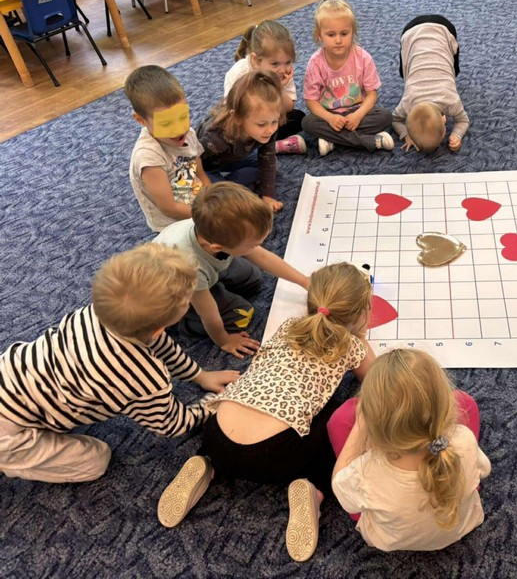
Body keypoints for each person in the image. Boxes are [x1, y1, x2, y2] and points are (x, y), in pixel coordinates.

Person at [156, 262, 376, 562]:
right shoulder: (351, 345)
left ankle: (205, 461)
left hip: (216, 435)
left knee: (242, 406)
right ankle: (312, 487)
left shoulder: (288, 327)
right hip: (276, 457)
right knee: (339, 415)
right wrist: (360, 336)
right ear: (361, 314)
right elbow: (374, 378)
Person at [0, 243, 239, 484]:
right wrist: (213, 404)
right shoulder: (141, 378)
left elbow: (159, 344)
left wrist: (199, 375)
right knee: (96, 460)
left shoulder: (95, 312)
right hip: (8, 434)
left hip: (9, 375)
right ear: (159, 328)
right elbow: (172, 424)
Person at [328, 349, 490, 552]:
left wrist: (360, 426)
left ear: (375, 425)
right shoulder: (464, 439)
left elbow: (340, 486)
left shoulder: (366, 472)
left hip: (389, 538)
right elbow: (484, 470)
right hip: (463, 524)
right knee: (466, 402)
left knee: (341, 418)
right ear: (444, 403)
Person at [154, 182, 309, 359]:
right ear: (218, 247)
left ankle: (216, 286)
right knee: (241, 315)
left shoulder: (212, 227)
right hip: (175, 295)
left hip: (205, 270)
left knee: (252, 278)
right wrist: (224, 340)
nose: (260, 245)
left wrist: (304, 280)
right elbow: (208, 315)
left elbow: (263, 257)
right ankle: (182, 323)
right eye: (254, 244)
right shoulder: (190, 267)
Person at [301, 0, 394, 156]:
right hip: (329, 115)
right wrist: (330, 118)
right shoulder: (315, 63)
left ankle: (333, 140)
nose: (338, 40)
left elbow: (372, 94)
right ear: (319, 35)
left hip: (358, 111)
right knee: (307, 123)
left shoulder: (363, 57)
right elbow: (311, 101)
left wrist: (358, 115)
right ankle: (370, 141)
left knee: (386, 116)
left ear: (353, 32)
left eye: (344, 33)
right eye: (331, 35)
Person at [125, 65, 212, 232]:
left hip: (196, 202)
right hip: (174, 225)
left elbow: (199, 172)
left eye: (183, 116)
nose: (179, 129)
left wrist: (212, 199)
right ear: (141, 120)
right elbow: (169, 208)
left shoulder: (188, 133)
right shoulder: (148, 156)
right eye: (166, 123)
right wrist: (209, 216)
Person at [197, 71, 286, 213]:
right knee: (218, 199)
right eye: (261, 124)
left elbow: (267, 159)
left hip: (232, 157)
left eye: (274, 121)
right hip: (203, 166)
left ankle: (232, 186)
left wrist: (268, 196)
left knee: (272, 166)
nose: (270, 130)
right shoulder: (218, 138)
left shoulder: (267, 128)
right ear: (238, 118)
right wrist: (206, 183)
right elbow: (190, 158)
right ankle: (231, 188)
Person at [225, 20, 307, 155]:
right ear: (256, 60)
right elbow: (231, 111)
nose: (282, 69)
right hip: (245, 122)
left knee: (299, 118)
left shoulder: (282, 73)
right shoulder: (239, 72)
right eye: (275, 64)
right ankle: (269, 147)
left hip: (269, 121)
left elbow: (288, 107)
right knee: (229, 134)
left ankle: (268, 146)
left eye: (288, 62)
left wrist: (278, 88)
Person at [392, 15, 470, 154]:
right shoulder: (409, 101)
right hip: (411, 33)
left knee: (455, 71)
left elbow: (464, 120)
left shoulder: (450, 99)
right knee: (404, 73)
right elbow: (394, 119)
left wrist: (457, 134)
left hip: (442, 30)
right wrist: (406, 134)